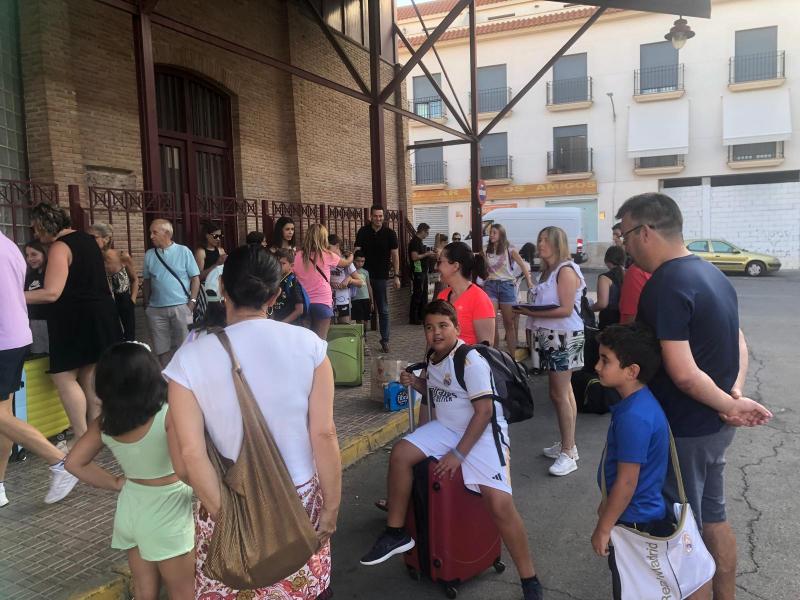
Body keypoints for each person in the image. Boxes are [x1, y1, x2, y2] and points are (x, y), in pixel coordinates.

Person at [616, 192, 771, 600]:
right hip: (714, 426)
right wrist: (732, 396)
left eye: (625, 235)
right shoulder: (712, 273)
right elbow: (738, 340)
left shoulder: (665, 285)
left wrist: (728, 403)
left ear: (645, 232)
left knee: (681, 535)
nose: (625, 247)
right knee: (712, 517)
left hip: (685, 429)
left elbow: (683, 374)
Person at [163, 245, 341, 600]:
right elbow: (323, 433)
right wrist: (331, 507)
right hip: (299, 501)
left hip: (226, 499)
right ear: (275, 295)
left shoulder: (188, 360)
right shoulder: (310, 347)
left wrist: (225, 516)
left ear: (223, 289)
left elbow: (189, 455)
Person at [360, 300, 543, 600]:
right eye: (429, 327)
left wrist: (458, 455)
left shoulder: (470, 361)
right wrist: (417, 383)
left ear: (457, 328)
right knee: (401, 453)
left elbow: (483, 412)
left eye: (443, 326)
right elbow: (440, 394)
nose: (436, 333)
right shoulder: (433, 358)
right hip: (446, 429)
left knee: (499, 506)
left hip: (482, 434)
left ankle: (529, 578)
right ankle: (395, 532)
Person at [65, 342, 194, 600]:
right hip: (168, 511)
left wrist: (115, 482)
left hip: (131, 508)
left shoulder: (105, 422)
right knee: (183, 593)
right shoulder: (168, 415)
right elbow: (185, 469)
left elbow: (73, 463)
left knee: (144, 592)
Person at [25, 204, 123, 442]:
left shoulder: (60, 246)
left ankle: (81, 435)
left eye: (37, 229)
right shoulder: (88, 240)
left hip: (75, 319)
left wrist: (12, 297)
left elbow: (51, 293)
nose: (37, 235)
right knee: (89, 375)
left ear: (47, 225)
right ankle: (96, 434)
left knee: (63, 376)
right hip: (100, 315)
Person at [590, 323, 672, 600]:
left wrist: (603, 528)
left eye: (605, 360)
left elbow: (627, 482)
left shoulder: (634, 417)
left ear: (632, 371)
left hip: (634, 522)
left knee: (629, 590)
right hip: (639, 514)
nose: (597, 366)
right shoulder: (638, 404)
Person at [0, 230, 79, 507]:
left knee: (0, 415)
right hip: (16, 336)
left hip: (2, 340)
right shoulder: (9, 246)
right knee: (3, 414)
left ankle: (60, 462)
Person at [514, 227, 585, 477]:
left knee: (558, 394)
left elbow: (565, 309)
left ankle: (568, 451)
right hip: (553, 335)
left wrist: (528, 312)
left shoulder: (565, 270)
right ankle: (569, 445)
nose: (540, 244)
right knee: (565, 392)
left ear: (557, 244)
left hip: (563, 335)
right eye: (539, 239)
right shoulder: (549, 271)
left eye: (545, 240)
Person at [142, 219, 201, 366]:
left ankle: (186, 377)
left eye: (154, 232)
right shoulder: (149, 254)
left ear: (167, 233)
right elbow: (147, 280)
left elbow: (195, 279)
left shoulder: (183, 251)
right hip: (156, 309)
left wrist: (191, 303)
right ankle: (166, 379)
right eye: (150, 233)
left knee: (185, 345)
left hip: (181, 306)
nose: (151, 236)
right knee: (161, 348)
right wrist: (146, 303)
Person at [293, 224, 354, 339]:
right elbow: (345, 263)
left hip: (303, 302)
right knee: (321, 341)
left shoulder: (297, 256)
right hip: (322, 302)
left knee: (305, 341)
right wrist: (351, 256)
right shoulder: (327, 255)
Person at [484, 224, 534, 357]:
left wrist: (529, 281)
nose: (491, 235)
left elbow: (523, 265)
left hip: (507, 286)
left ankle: (513, 356)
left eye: (494, 233)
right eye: (490, 233)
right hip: (491, 286)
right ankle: (494, 354)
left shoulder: (510, 248)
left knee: (509, 323)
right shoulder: (486, 250)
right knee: (492, 321)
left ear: (501, 234)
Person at [355, 206, 400, 353]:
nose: (378, 219)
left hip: (381, 276)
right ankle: (363, 341)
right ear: (371, 216)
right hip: (362, 275)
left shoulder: (390, 233)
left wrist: (397, 276)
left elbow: (395, 255)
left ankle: (385, 340)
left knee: (383, 309)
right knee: (363, 309)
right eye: (375, 216)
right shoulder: (363, 231)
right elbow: (356, 252)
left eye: (380, 216)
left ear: (384, 217)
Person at [435, 242, 494, 346]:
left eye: (440, 261)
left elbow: (485, 348)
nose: (436, 266)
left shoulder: (479, 299)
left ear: (455, 266)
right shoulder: (442, 296)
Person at [90, 223, 140, 342]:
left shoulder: (122, 256)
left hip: (124, 304)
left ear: (106, 239)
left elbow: (135, 279)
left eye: (93, 237)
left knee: (128, 340)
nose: (89, 241)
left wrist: (132, 301)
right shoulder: (91, 258)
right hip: (104, 307)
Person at [328, 234, 362, 325]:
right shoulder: (325, 259)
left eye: (328, 247)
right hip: (327, 298)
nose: (325, 250)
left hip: (342, 299)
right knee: (329, 328)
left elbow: (360, 282)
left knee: (344, 327)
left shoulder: (347, 261)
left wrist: (349, 280)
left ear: (337, 246)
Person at [24, 240, 50, 354]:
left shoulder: (51, 274)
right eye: (27, 255)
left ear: (45, 253)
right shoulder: (29, 276)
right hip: (33, 323)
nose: (29, 258)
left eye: (34, 254)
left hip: (50, 321)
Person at [591, 245, 625, 330]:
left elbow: (602, 304)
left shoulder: (604, 278)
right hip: (624, 318)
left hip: (609, 322)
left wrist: (588, 309)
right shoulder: (629, 274)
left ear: (606, 259)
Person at [408, 223, 435, 325]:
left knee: (423, 294)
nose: (427, 235)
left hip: (422, 271)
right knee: (418, 294)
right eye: (427, 232)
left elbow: (421, 256)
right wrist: (427, 254)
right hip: (417, 271)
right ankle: (414, 318)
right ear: (422, 231)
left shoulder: (419, 242)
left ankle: (421, 316)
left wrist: (430, 255)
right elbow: (414, 257)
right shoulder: (415, 242)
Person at [272, 248, 306, 325]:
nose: (279, 266)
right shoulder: (275, 280)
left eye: (283, 263)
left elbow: (300, 310)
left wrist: (282, 323)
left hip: (292, 325)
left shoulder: (293, 282)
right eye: (276, 262)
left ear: (291, 265)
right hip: (278, 323)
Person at [350, 251, 373, 338]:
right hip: (355, 299)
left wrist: (372, 301)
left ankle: (365, 334)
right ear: (353, 261)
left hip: (366, 298)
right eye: (358, 261)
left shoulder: (365, 272)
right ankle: (361, 336)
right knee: (359, 320)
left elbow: (369, 286)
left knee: (366, 320)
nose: (360, 263)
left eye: (362, 261)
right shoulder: (351, 271)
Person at [429, 233, 449, 300]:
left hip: (442, 273)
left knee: (440, 290)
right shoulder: (438, 250)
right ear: (441, 242)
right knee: (440, 290)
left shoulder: (439, 250)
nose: (447, 243)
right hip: (440, 273)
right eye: (445, 242)